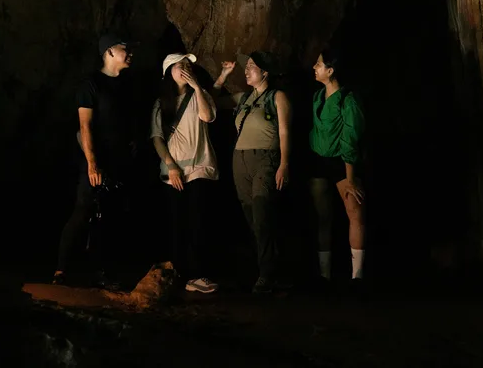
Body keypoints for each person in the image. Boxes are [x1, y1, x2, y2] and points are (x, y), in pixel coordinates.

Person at [54, 34, 135, 287]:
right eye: (125, 48)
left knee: (109, 217)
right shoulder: (91, 84)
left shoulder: (126, 85)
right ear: (109, 52)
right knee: (83, 212)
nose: (130, 52)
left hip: (118, 162)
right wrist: (92, 163)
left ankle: (100, 273)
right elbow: (84, 126)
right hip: (95, 161)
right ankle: (61, 270)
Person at [214, 52, 291, 294]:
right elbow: (210, 100)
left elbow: (285, 132)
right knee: (251, 218)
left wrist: (284, 164)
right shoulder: (243, 98)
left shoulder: (277, 97)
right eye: (246, 67)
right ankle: (267, 271)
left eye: (252, 67)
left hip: (266, 159)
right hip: (240, 160)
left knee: (262, 215)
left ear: (265, 72)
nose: (247, 70)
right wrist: (223, 75)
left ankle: (268, 274)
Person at [151, 53, 220, 294]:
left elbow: (208, 116)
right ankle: (179, 275)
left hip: (200, 167)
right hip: (174, 172)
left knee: (198, 222)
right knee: (177, 224)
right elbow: (157, 138)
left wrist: (197, 87)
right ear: (168, 70)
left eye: (188, 65)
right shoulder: (161, 103)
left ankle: (198, 275)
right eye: (180, 65)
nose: (185, 68)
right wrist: (171, 166)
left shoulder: (199, 94)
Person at [308, 47, 366, 283]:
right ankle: (324, 275)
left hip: (342, 162)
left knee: (354, 212)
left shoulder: (348, 100)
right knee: (322, 216)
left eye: (319, 65)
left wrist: (350, 177)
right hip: (319, 161)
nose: (314, 67)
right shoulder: (317, 97)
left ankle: (357, 276)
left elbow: (351, 137)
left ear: (330, 71)